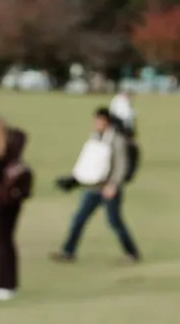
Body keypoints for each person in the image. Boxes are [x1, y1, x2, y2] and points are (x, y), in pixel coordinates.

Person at [52, 107, 141, 263]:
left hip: (108, 188)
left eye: (99, 120)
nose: (96, 123)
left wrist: (113, 185)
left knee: (115, 222)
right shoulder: (94, 138)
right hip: (93, 188)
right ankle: (68, 251)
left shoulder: (117, 140)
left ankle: (132, 253)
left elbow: (121, 165)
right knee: (79, 219)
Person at [0, 118, 33, 301]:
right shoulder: (12, 151)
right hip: (11, 202)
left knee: (3, 242)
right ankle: (9, 284)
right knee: (6, 241)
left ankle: (6, 285)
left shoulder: (1, 156)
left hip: (2, 203)